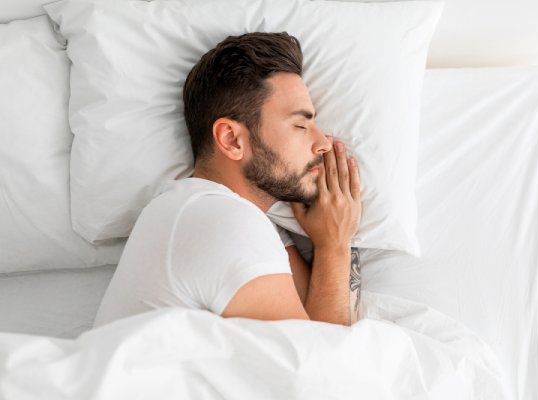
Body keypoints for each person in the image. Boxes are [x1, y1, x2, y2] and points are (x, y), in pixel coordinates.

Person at [94, 32, 362, 328]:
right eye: (300, 124)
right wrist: (335, 245)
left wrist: (329, 244)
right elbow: (328, 365)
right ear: (232, 139)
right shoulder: (220, 220)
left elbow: (314, 328)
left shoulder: (213, 215)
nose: (323, 142)